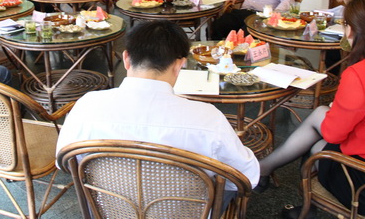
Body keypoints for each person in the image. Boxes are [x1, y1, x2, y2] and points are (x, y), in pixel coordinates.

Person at [256, 0, 365, 219]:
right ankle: (271, 175)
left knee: (316, 143)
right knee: (320, 118)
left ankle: (300, 202)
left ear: (350, 30)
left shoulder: (360, 72)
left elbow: (333, 133)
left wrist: (336, 109)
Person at [56, 20, 260, 197]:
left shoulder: (87, 106)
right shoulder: (209, 119)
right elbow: (247, 178)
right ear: (179, 65)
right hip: (189, 212)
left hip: (108, 210)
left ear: (126, 59)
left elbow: (63, 162)